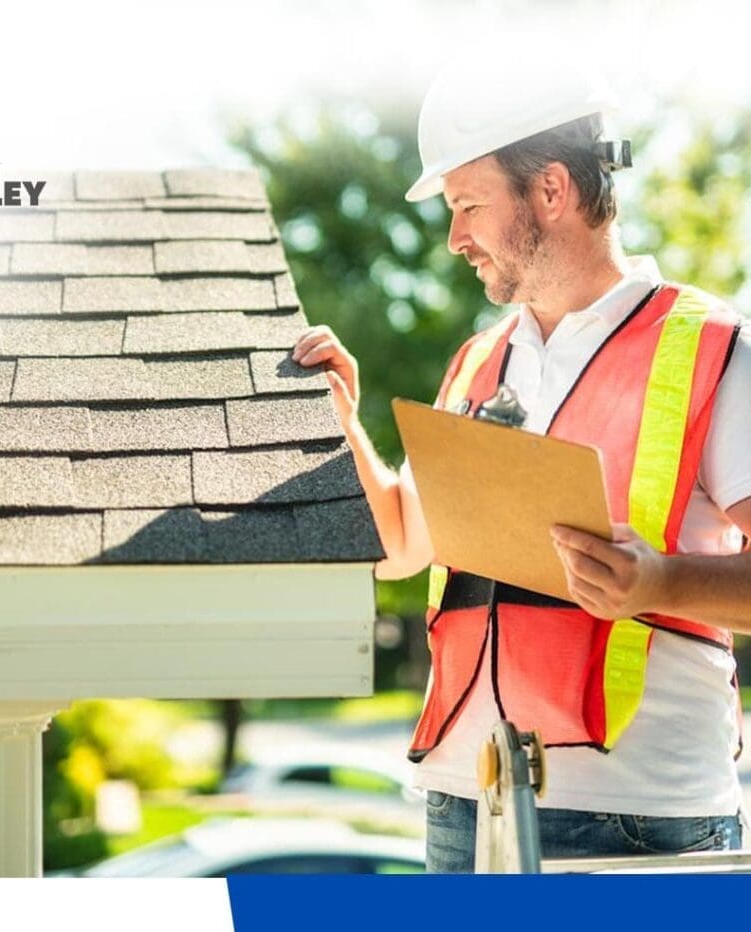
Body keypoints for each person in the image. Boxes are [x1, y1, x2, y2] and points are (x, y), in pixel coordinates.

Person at [291, 59, 751, 872]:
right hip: (467, 802)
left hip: (636, 816)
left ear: (550, 191)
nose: (454, 237)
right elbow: (401, 544)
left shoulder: (716, 349)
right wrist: (344, 425)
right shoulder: (479, 362)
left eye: (468, 205)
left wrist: (661, 584)